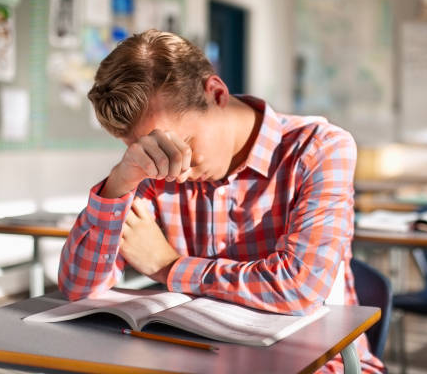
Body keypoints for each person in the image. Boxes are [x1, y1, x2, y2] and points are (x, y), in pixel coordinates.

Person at [58, 29, 384, 373]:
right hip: (204, 359)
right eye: (152, 152)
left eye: (182, 143)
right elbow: (79, 286)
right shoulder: (157, 166)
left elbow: (298, 288)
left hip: (320, 363)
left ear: (215, 93)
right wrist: (119, 183)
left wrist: (169, 266)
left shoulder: (320, 148)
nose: (174, 173)